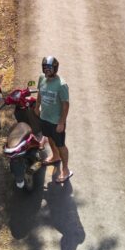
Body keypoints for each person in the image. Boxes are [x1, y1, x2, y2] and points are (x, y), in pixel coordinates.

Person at [36, 55, 72, 183]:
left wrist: (61, 122)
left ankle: (66, 169)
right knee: (49, 138)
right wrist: (37, 106)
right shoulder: (41, 78)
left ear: (55, 68)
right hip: (44, 117)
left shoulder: (61, 85)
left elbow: (65, 105)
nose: (47, 70)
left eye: (50, 67)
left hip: (56, 121)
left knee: (61, 145)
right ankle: (55, 156)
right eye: (45, 67)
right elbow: (40, 92)